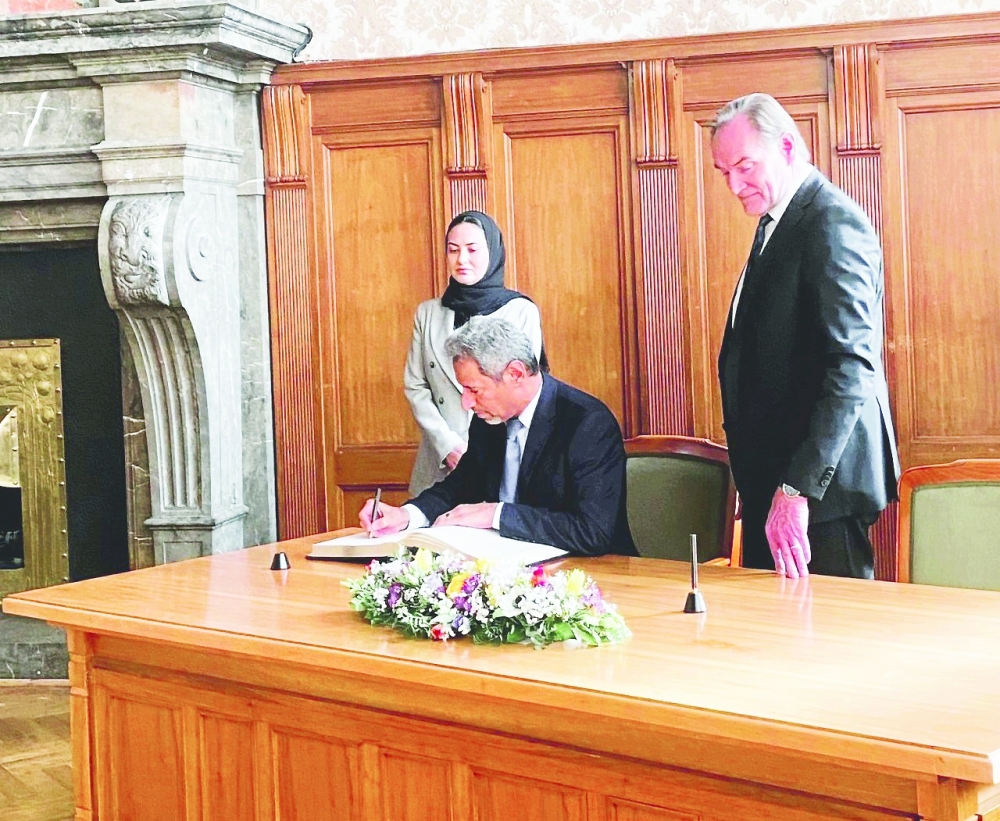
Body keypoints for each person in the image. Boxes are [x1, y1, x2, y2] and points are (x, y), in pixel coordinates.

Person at [710, 92, 900, 580]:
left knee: (828, 628)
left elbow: (852, 367)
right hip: (776, 485)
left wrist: (796, 489)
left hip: (818, 496)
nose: (734, 185)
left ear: (788, 147)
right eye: (724, 172)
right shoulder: (779, 219)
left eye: (744, 166)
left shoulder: (832, 222)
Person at [364, 315, 636, 557]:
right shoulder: (489, 420)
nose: (466, 403)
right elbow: (459, 487)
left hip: (593, 575)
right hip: (502, 569)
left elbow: (592, 531)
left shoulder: (587, 422)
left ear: (515, 374)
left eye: (474, 390)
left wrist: (495, 514)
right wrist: (406, 515)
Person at [404, 210, 544, 496]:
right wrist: (447, 446)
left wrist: (479, 447)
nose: (462, 259)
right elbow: (415, 385)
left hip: (500, 458)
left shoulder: (520, 311)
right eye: (453, 250)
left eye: (472, 249)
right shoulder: (428, 313)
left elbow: (523, 391)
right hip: (439, 461)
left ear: (492, 251)